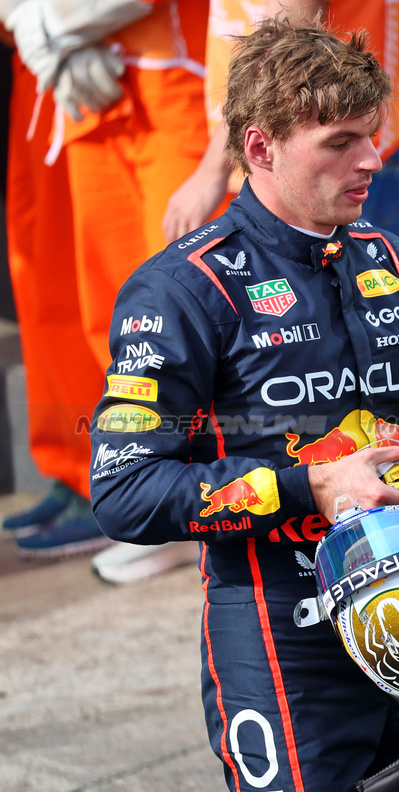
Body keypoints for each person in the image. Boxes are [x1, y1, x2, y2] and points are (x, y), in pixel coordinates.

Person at [88, 15, 399, 792]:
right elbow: (126, 490)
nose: (371, 161)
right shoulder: (181, 291)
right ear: (260, 147)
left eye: (372, 136)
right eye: (340, 142)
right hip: (281, 639)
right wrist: (311, 485)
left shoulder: (394, 263)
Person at [0, 0, 208, 581]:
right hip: (77, 71)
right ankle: (109, 478)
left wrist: (66, 18)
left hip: (178, 65)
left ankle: (198, 501)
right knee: (103, 308)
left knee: (185, 304)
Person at [162, 0, 399, 241]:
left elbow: (284, 54)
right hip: (368, 133)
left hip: (330, 152)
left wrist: (212, 171)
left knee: (328, 290)